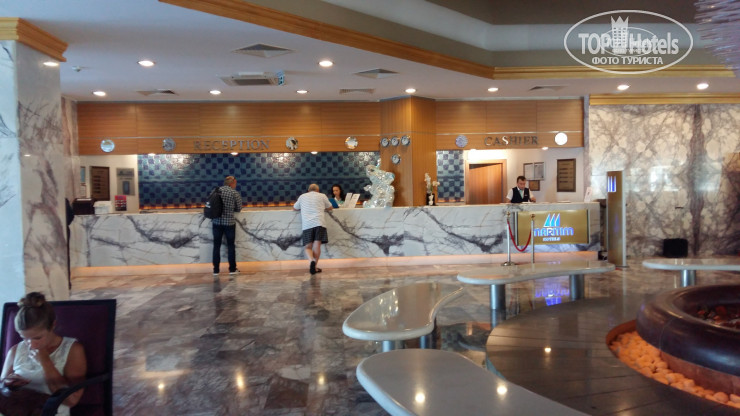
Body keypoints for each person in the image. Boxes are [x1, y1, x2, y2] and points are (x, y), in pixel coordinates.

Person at [0, 292, 87, 416]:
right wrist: (8, 383)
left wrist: (45, 361)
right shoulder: (15, 350)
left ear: (53, 325)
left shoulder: (73, 349)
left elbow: (71, 400)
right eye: (24, 338)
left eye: (37, 338)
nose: (31, 344)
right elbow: (2, 390)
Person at [293, 184, 333, 274]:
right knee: (317, 246)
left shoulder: (302, 196)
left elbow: (295, 208)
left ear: (308, 190)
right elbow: (330, 207)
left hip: (307, 224)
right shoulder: (322, 196)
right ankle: (314, 266)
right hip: (319, 223)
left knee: (308, 247)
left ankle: (311, 261)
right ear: (318, 190)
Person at [212, 176, 243, 276]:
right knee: (230, 246)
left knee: (216, 246)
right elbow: (239, 208)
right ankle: (232, 269)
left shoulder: (216, 191)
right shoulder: (234, 193)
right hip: (229, 223)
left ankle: (216, 270)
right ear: (231, 183)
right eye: (235, 183)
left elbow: (210, 205)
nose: (235, 185)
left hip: (216, 222)